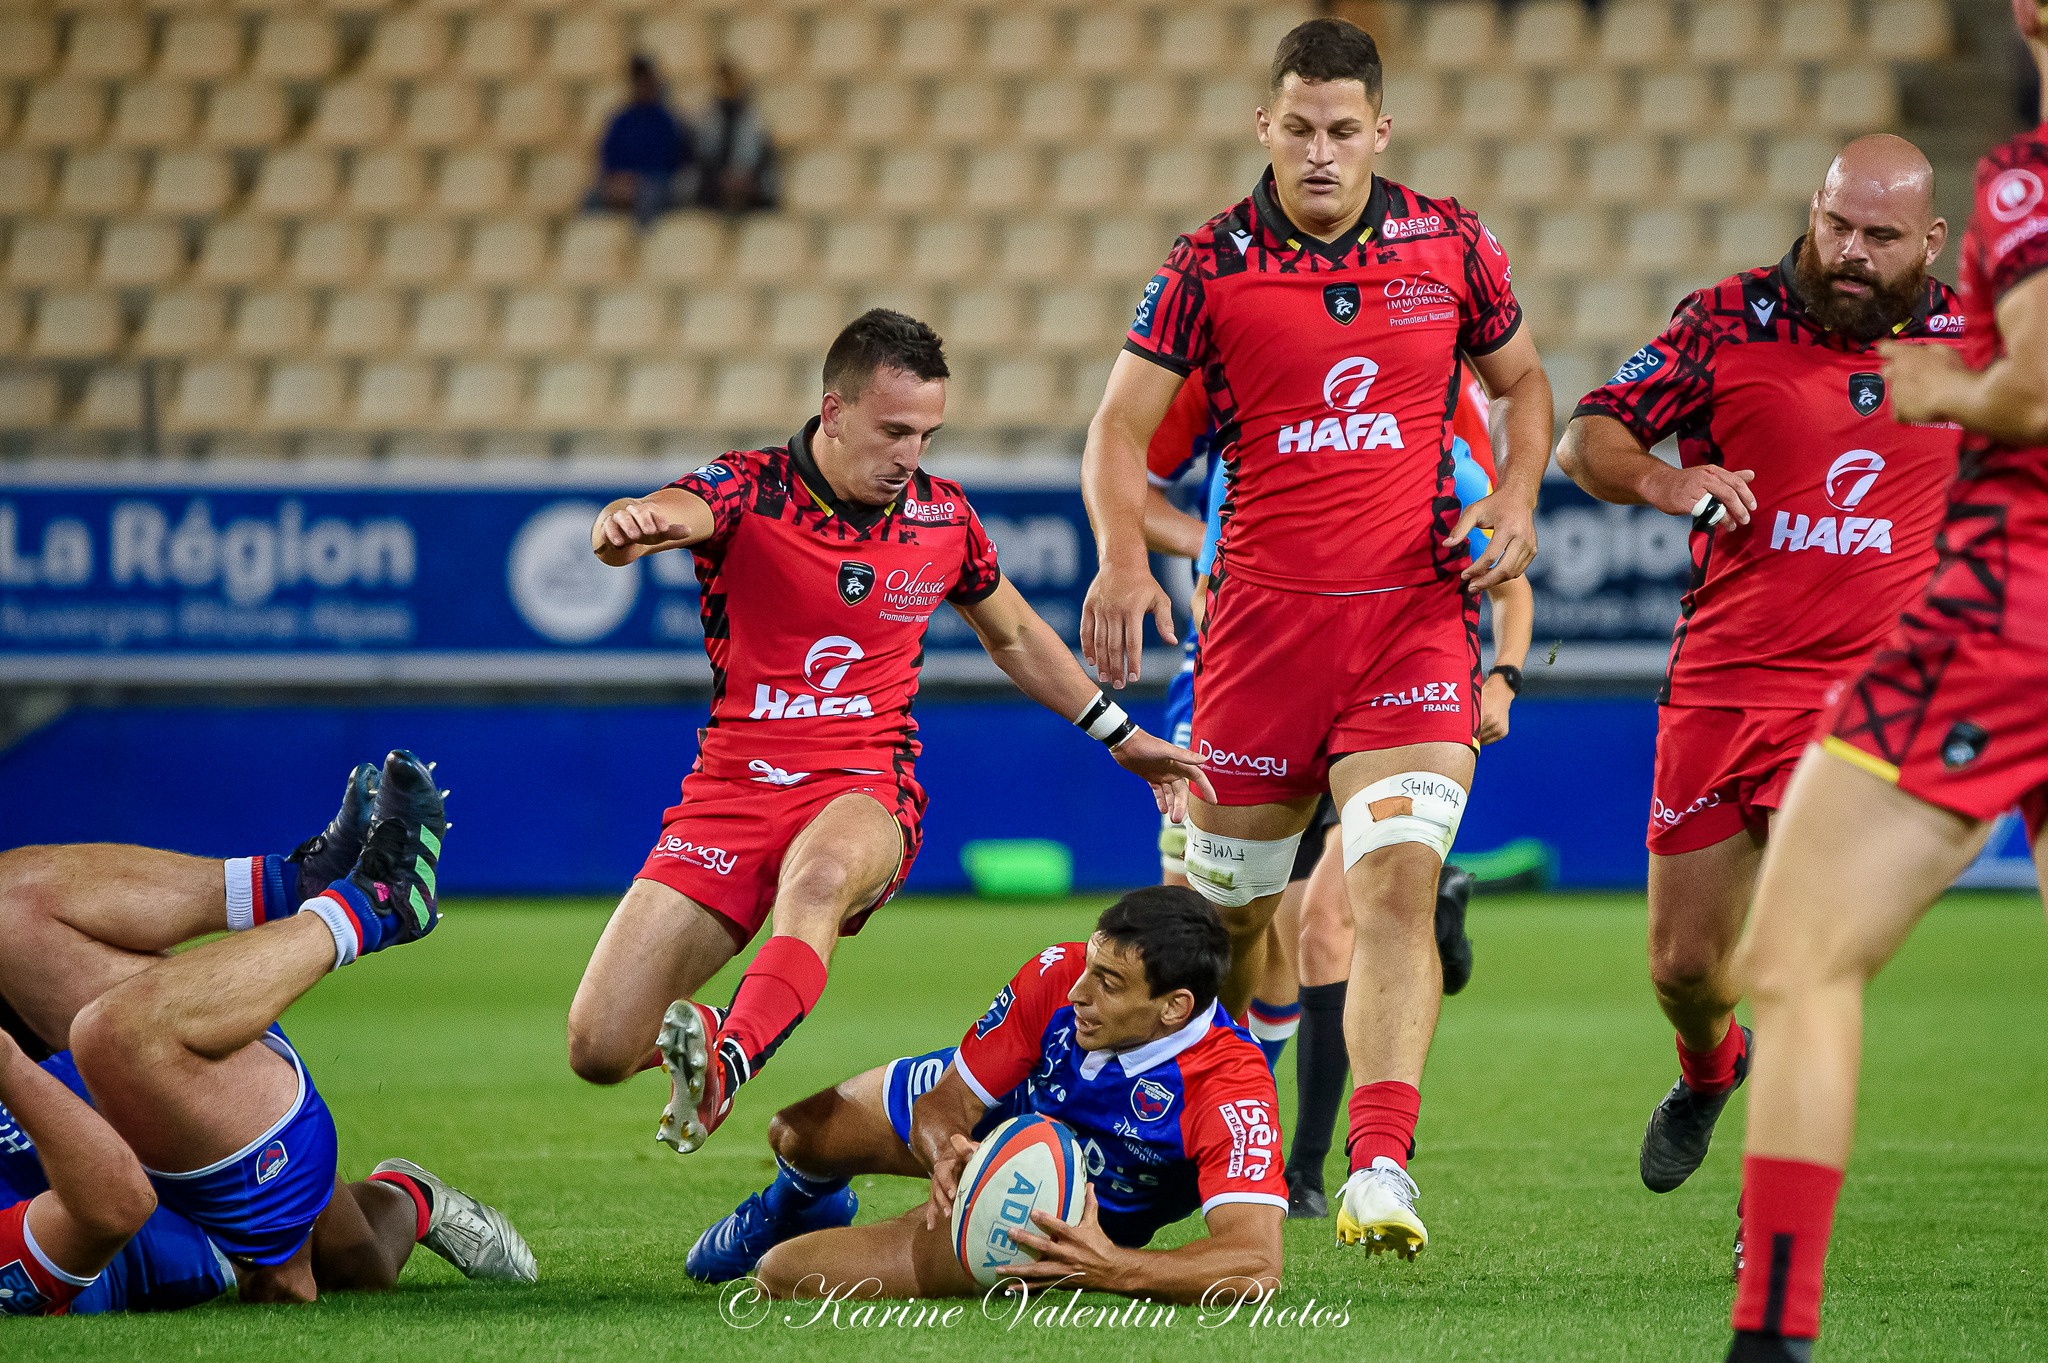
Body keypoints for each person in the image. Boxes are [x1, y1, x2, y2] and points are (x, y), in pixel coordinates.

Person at [1080, 17, 1552, 1259]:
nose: (1322, 151)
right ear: (1265, 128)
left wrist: (1512, 498)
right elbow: (1119, 431)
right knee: (1228, 927)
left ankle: (1378, 1163)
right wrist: (1126, 556)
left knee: (1390, 888)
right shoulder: (1204, 266)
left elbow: (1523, 385)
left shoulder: (1449, 244)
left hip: (1406, 633)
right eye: (1299, 127)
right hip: (1254, 650)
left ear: (1378, 132)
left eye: (1344, 130)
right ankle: (1207, 1131)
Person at [570, 310, 1212, 1160]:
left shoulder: (943, 520)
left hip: (867, 786)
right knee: (600, 1048)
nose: (911, 455)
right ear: (833, 412)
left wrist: (1118, 732)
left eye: (927, 435)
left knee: (823, 876)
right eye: (893, 431)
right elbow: (677, 510)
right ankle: (719, 1036)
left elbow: (1014, 634)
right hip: (730, 792)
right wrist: (630, 519)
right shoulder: (749, 488)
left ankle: (726, 1060)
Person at [1721, 4, 2048, 1357]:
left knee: (1793, 960)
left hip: (2008, 617)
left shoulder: (2029, 178)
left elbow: (2035, 392)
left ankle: (1770, 1335)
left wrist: (1945, 388)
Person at [1556, 135, 1960, 1205]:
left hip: (1864, 705)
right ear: (1812, 210)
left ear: (1929, 240)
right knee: (1684, 970)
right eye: (1836, 225)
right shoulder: (1721, 320)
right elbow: (1584, 438)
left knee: (1794, 964)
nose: (1849, 252)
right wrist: (1659, 477)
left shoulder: (1982, 345)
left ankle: (1770, 1221)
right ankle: (1706, 1066)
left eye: (1879, 236)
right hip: (1720, 684)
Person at [0, 752, 536, 1307]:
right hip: (194, 1148)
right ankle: (372, 907)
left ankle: (296, 883)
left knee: (10, 910)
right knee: (352, 1265)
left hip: (150, 1087)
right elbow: (113, 1204)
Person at [687, 887, 1286, 1301]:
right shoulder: (1057, 975)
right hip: (1000, 1116)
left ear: (1174, 1008)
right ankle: (791, 1209)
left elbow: (1256, 1262)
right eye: (1090, 963)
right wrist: (942, 1146)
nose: (1079, 991)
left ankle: (795, 1240)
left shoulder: (1231, 1087)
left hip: (1047, 1206)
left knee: (784, 1275)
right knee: (796, 1134)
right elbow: (948, 1101)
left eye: (1108, 983)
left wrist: (1117, 1268)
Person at [1284, 363, 1532, 1219]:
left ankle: (1312, 1170)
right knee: (1265, 938)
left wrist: (1500, 678)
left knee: (1328, 924)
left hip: (1393, 703)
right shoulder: (1258, 459)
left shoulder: (1445, 456)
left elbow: (1510, 577)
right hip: (1279, 693)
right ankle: (1440, 900)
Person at [588, 54, 693, 225]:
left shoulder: (667, 121)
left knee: (649, 197)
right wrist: (615, 179)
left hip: (653, 181)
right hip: (620, 182)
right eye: (638, 81)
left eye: (646, 81)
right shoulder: (621, 120)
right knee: (591, 199)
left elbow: (668, 161)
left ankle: (642, 245)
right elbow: (608, 154)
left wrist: (635, 179)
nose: (642, 86)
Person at [697, 61, 778, 214]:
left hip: (749, 183)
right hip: (717, 185)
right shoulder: (710, 118)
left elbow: (763, 158)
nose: (728, 88)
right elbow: (704, 156)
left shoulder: (754, 119)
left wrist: (746, 177)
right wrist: (721, 177)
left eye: (731, 82)